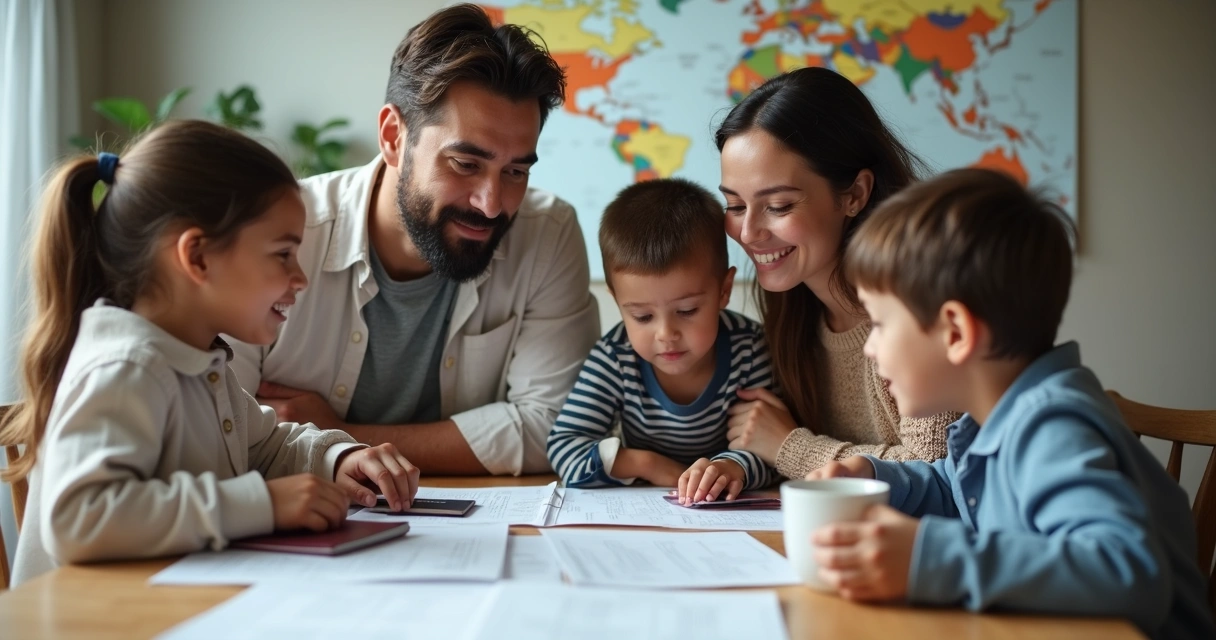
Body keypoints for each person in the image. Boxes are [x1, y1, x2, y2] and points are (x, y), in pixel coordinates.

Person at [2, 121, 421, 587]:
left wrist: (336, 459)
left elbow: (264, 447)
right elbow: (79, 519)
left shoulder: (196, 360)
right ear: (197, 257)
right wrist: (263, 505)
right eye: (283, 254)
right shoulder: (126, 367)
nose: (299, 278)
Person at [808, 168, 1215, 640]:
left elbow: (1128, 572)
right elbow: (957, 494)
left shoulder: (1052, 427)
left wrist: (929, 558)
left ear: (956, 333)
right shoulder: (995, 423)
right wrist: (877, 477)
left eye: (879, 324)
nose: (868, 348)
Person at [226, 4, 599, 476]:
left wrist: (336, 438)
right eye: (465, 164)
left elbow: (557, 430)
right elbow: (218, 428)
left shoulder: (548, 235)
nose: (491, 203)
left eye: (515, 171)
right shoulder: (277, 236)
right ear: (392, 137)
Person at [715, 67, 955, 478]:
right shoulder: (794, 310)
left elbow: (936, 471)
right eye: (736, 206)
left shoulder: (922, 307)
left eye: (778, 206)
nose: (749, 232)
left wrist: (789, 447)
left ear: (854, 195)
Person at [547, 179, 777, 503]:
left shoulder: (750, 350)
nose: (665, 334)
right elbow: (563, 445)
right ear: (618, 303)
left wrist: (731, 466)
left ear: (723, 290)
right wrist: (648, 464)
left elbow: (773, 452)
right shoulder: (616, 358)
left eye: (687, 310)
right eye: (642, 317)